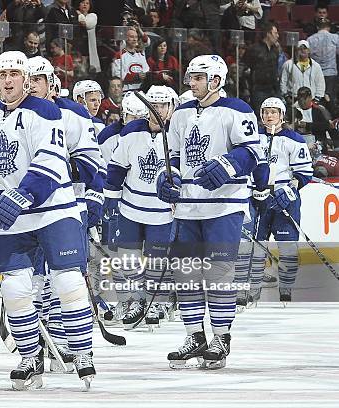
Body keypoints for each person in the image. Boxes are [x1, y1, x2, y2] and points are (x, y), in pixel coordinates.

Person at [0, 51, 95, 390]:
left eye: (15, 74)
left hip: (53, 209)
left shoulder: (44, 110)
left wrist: (21, 195)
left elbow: (50, 160)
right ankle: (30, 356)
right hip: (12, 217)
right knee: (15, 288)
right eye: (3, 75)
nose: (8, 80)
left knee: (67, 281)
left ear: (27, 79)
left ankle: (82, 351)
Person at [156, 55, 263, 369]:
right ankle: (195, 336)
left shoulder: (238, 110)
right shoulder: (183, 112)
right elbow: (173, 154)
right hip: (188, 206)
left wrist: (227, 165)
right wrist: (168, 176)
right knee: (186, 273)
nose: (192, 83)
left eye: (198, 78)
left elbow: (252, 151)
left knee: (218, 273)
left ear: (216, 80)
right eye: (191, 77)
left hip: (224, 205)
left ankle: (220, 337)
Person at [27, 57, 104, 372]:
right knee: (34, 278)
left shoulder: (73, 113)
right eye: (26, 78)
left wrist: (93, 197)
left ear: (51, 82)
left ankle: (62, 340)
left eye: (37, 79)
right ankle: (38, 336)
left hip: (68, 205)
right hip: (29, 209)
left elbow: (90, 163)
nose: (31, 84)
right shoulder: (13, 114)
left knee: (65, 276)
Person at [104, 85, 178, 329]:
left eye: (162, 105)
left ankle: (156, 302)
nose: (156, 110)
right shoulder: (131, 130)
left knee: (157, 260)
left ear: (171, 107)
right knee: (127, 258)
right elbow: (116, 166)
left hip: (162, 210)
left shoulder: (177, 133)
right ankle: (138, 299)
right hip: (130, 208)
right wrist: (111, 198)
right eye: (152, 105)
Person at [248, 97, 312, 304]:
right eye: (266, 112)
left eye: (273, 112)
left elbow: (304, 173)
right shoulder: (253, 138)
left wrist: (289, 191)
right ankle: (253, 290)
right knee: (256, 247)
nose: (269, 116)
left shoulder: (294, 139)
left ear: (282, 115)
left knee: (288, 248)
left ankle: (286, 290)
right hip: (258, 198)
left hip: (285, 199)